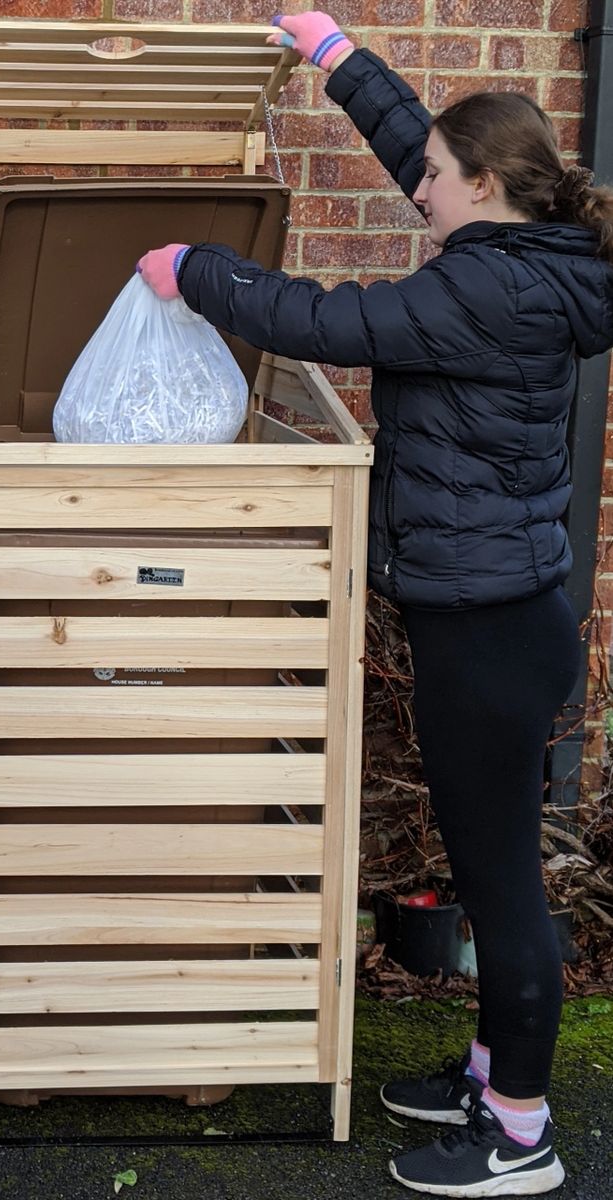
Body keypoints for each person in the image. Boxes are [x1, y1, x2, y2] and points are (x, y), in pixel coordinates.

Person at [138, 11, 613, 1198]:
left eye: (438, 182)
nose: (419, 193)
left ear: (487, 188)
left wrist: (194, 270)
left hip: (487, 634)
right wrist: (335, 54)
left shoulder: (479, 296)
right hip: (497, 617)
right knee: (483, 859)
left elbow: (321, 319)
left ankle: (518, 1135)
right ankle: (488, 1072)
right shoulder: (528, 254)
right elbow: (419, 145)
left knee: (501, 885)